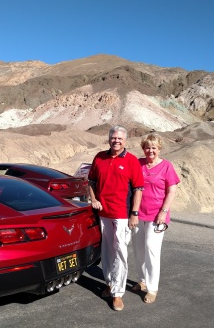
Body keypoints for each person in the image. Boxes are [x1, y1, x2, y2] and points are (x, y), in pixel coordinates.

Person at [88, 125, 144, 311]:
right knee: (107, 251)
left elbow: (138, 189)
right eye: (113, 138)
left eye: (120, 138)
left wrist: (134, 213)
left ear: (125, 141)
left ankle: (118, 293)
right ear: (109, 139)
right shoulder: (99, 157)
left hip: (122, 214)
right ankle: (110, 283)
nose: (116, 141)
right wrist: (94, 199)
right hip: (103, 213)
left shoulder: (131, 161)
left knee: (120, 251)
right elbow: (91, 181)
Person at [132, 133, 180, 304]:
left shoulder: (166, 166)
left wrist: (164, 211)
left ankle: (152, 288)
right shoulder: (138, 164)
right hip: (138, 213)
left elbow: (172, 191)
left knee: (152, 250)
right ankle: (143, 280)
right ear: (143, 148)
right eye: (147, 147)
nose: (150, 150)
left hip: (157, 215)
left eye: (153, 147)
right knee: (138, 249)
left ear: (159, 149)